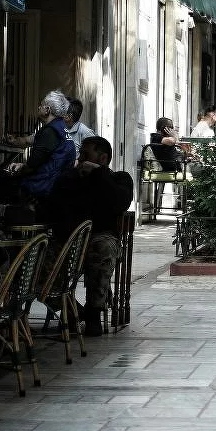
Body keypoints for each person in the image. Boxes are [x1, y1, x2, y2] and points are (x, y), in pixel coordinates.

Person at [41, 136, 133, 336]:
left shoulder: (119, 179)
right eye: (80, 154)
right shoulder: (69, 179)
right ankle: (73, 311)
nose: (80, 158)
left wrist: (99, 175)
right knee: (35, 263)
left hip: (99, 237)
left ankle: (94, 313)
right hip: (67, 240)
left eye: (86, 154)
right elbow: (52, 207)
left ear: (102, 158)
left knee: (103, 248)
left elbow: (119, 202)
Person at [5, 90, 76, 201]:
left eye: (41, 105)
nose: (38, 107)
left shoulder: (50, 131)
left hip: (43, 186)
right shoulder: (61, 128)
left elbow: (32, 165)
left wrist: (20, 167)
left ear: (47, 110)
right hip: (56, 184)